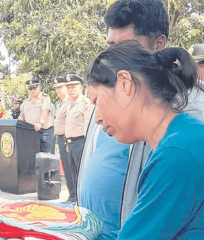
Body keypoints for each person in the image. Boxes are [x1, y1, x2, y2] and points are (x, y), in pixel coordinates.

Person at [85, 39, 204, 239]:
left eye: (96, 101)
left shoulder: (178, 154)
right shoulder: (182, 137)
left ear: (124, 84)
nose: (97, 118)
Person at [77, 0, 169, 233]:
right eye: (110, 46)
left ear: (159, 45)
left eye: (126, 46)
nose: (112, 56)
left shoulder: (173, 111)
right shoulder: (107, 90)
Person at [64, 74, 93, 203]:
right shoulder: (70, 104)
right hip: (71, 143)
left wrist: (88, 144)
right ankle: (74, 197)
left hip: (81, 142)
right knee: (73, 173)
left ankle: (82, 199)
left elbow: (87, 125)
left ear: (81, 88)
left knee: (82, 172)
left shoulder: (85, 103)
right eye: (68, 87)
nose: (70, 90)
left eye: (73, 87)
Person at [18, 79, 55, 153]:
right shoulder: (25, 102)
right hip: (31, 133)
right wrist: (14, 125)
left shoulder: (45, 98)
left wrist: (40, 123)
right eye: (30, 88)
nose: (33, 90)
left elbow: (45, 111)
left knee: (47, 158)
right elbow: (22, 116)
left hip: (45, 133)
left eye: (35, 88)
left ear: (39, 88)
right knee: (33, 158)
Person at [52, 76, 73, 201]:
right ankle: (72, 195)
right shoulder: (60, 104)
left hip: (67, 139)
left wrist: (66, 140)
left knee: (71, 169)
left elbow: (69, 123)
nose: (58, 90)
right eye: (57, 88)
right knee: (66, 167)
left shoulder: (70, 103)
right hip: (60, 138)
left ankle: (74, 195)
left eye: (61, 88)